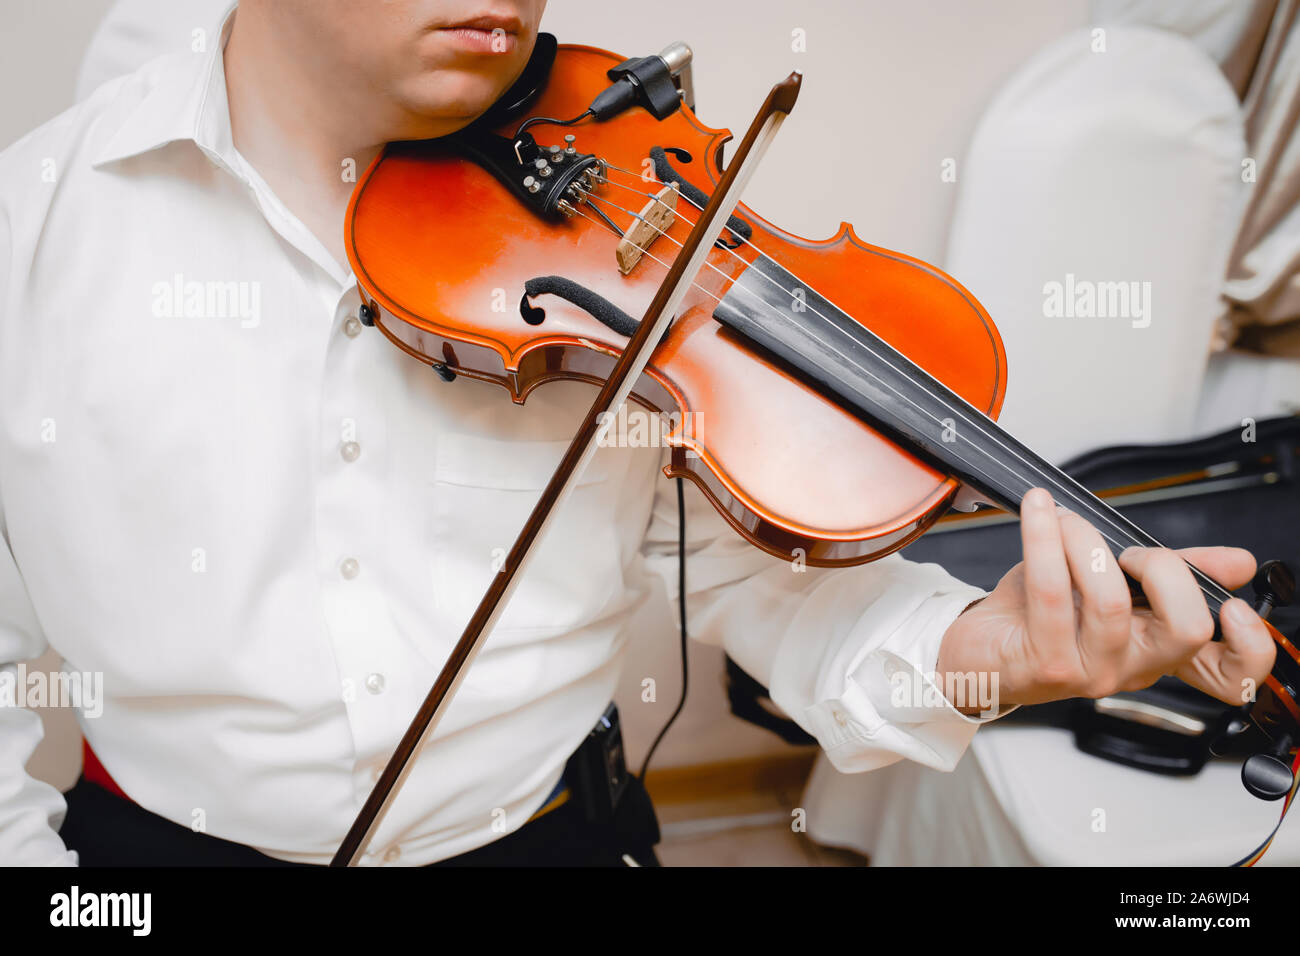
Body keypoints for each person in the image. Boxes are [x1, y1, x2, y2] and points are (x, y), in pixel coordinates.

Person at [0, 0, 1276, 866]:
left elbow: (771, 596)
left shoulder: (619, 200)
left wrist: (993, 655)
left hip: (556, 832)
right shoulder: (33, 235)